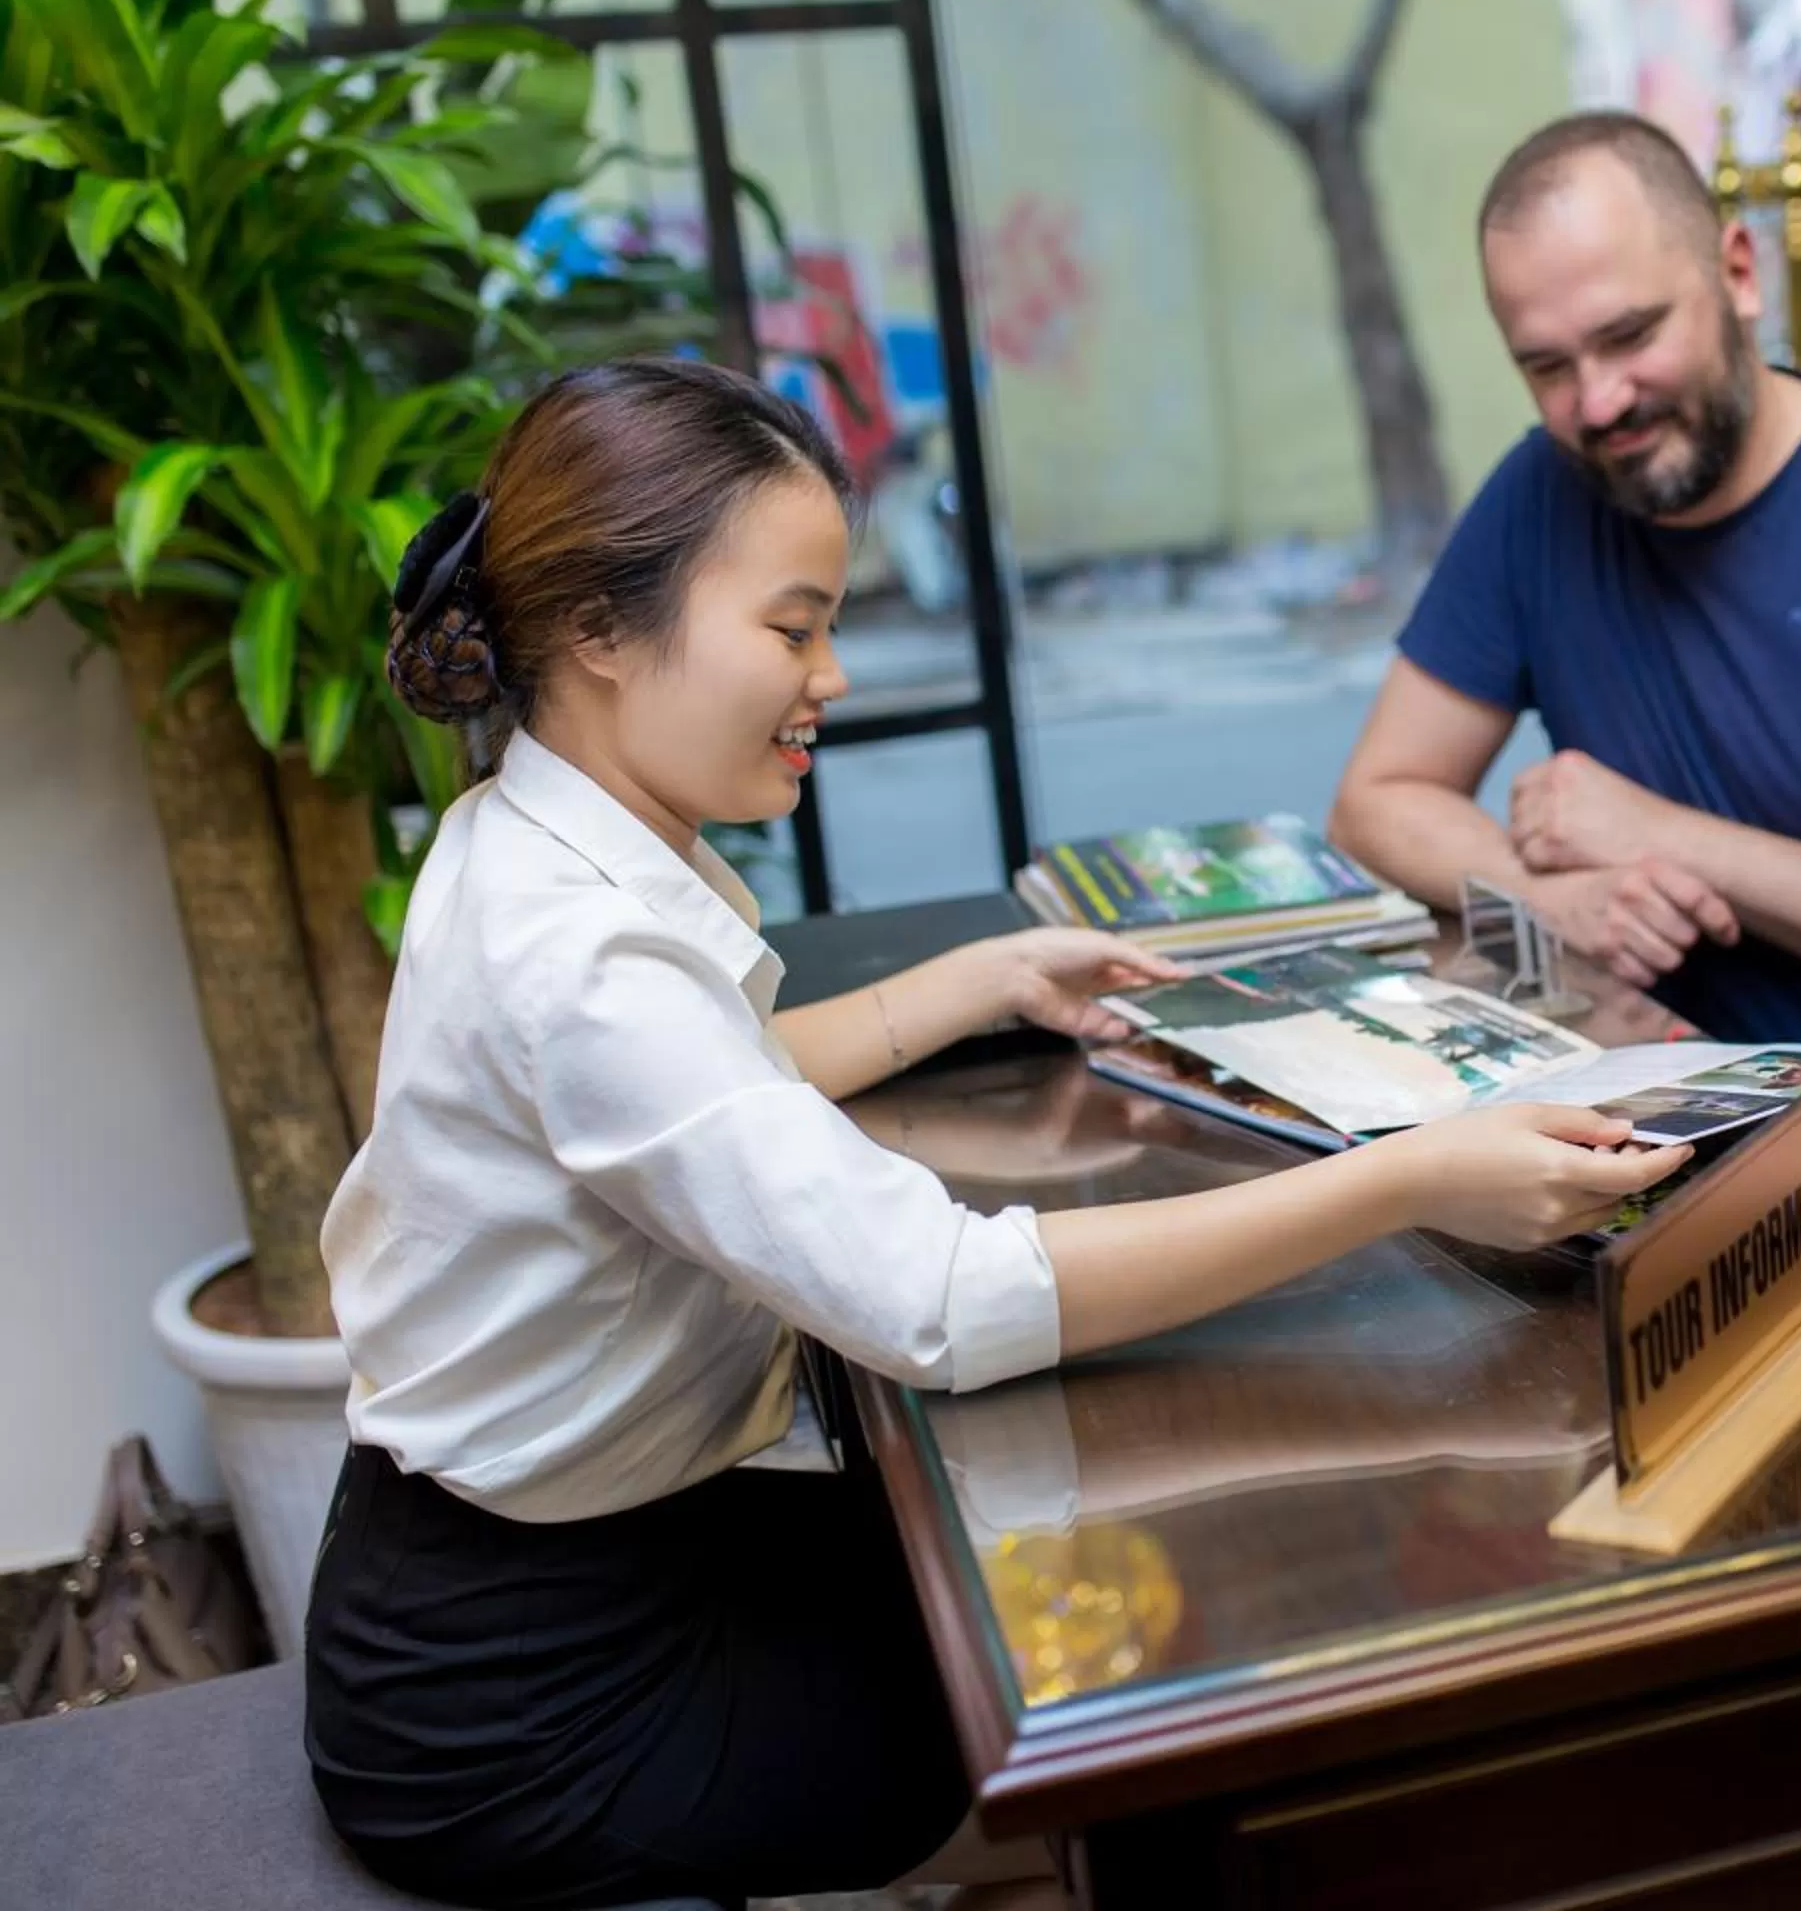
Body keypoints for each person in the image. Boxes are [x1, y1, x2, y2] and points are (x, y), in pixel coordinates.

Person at [303, 358, 1694, 1911]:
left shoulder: (542, 833)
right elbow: (942, 1304)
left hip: (567, 1559)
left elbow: (722, 1076)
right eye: (792, 627)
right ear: (600, 632)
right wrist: (1411, 1175)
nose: (830, 675)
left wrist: (975, 981)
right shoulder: (580, 955)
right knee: (1104, 1684)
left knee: (1038, 1583)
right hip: (514, 1700)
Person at [1328, 111, 1801, 1189]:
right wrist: (1549, 895)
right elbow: (1377, 797)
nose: (1597, 401)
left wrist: (1659, 837)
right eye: (1548, 367)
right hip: (1667, 1115)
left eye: (1630, 336)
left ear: (1737, 272)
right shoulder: (1538, 496)